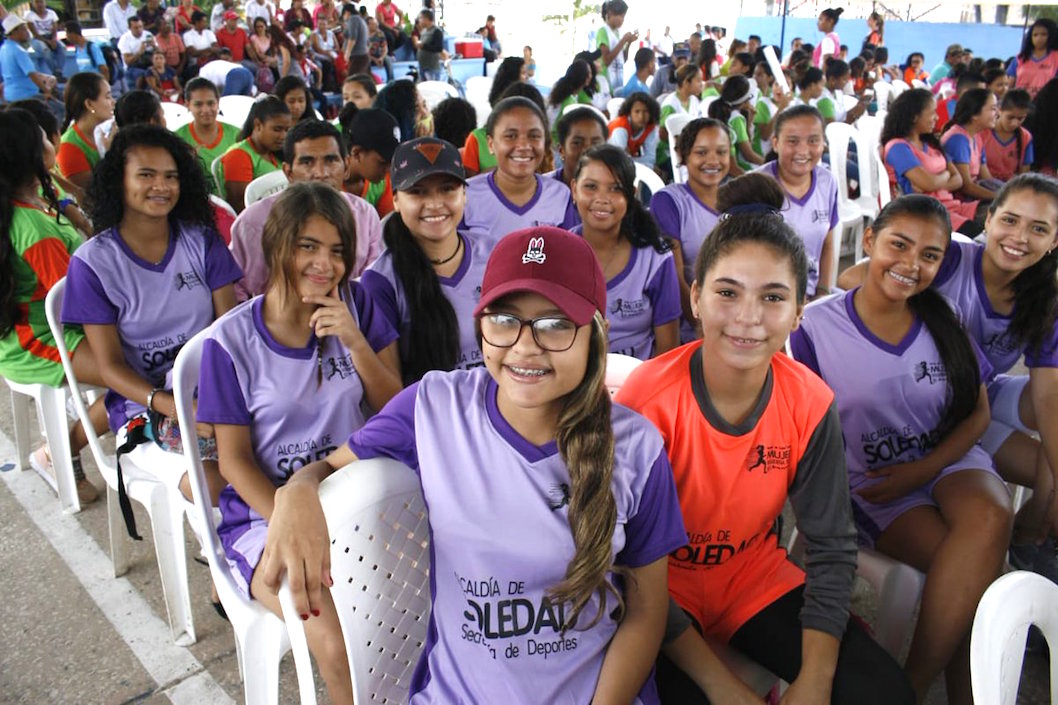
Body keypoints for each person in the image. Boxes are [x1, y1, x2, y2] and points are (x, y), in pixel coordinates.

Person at [257, 224, 686, 703]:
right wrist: (294, 495)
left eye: (555, 323)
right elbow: (329, 469)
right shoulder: (434, 407)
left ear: (594, 336)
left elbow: (647, 607)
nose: (525, 346)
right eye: (504, 319)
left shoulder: (636, 446)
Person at [617, 173, 914, 705]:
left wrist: (815, 681)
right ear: (696, 299)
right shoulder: (647, 400)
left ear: (800, 310)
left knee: (882, 692)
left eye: (773, 297)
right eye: (727, 292)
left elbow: (830, 544)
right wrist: (725, 688)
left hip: (750, 579)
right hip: (656, 592)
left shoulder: (809, 401)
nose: (749, 318)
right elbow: (626, 562)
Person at [793, 195, 1008, 705]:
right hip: (875, 486)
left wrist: (924, 469)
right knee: (974, 581)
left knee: (991, 515)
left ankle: (907, 687)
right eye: (899, 245)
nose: (911, 265)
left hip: (948, 460)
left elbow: (977, 414)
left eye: (930, 256)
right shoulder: (815, 329)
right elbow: (805, 435)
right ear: (869, 242)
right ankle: (969, 696)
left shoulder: (943, 315)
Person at [196, 182, 401, 704]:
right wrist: (291, 520)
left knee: (421, 609)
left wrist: (354, 340)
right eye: (308, 246)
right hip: (266, 514)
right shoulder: (229, 342)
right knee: (340, 649)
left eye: (337, 251)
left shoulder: (358, 304)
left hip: (359, 493)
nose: (324, 264)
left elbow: (394, 408)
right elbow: (235, 462)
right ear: (278, 247)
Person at [61, 125, 242, 508]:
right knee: (214, 484)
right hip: (142, 402)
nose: (161, 185)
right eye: (146, 174)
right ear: (119, 181)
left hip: (211, 385)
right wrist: (170, 405)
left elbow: (229, 331)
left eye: (171, 176)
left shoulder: (201, 241)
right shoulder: (93, 264)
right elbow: (109, 368)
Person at [0, 109, 103, 505]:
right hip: (37, 339)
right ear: (27, 152)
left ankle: (66, 442)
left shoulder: (36, 194)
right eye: (45, 138)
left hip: (57, 324)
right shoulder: (32, 228)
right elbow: (75, 305)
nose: (52, 143)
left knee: (140, 362)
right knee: (133, 376)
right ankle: (59, 451)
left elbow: (83, 224)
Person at [360, 136, 493, 381]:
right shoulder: (380, 282)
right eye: (418, 192)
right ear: (397, 200)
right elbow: (389, 389)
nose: (434, 204)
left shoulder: (495, 255)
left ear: (464, 194)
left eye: (447, 189)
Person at [231, 119, 382, 300]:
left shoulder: (365, 216)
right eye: (307, 162)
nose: (320, 173)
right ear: (289, 173)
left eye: (330, 160)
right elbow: (237, 291)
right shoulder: (254, 222)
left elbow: (372, 284)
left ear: (347, 166)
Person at [570, 144, 679, 359]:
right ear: (574, 189)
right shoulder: (559, 253)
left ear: (631, 195)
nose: (602, 198)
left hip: (638, 383)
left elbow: (668, 347)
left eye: (616, 188)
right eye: (591, 186)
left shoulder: (655, 258)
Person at [650, 118, 730, 342]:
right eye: (701, 153)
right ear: (683, 156)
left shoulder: (737, 201)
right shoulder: (668, 202)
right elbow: (675, 277)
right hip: (692, 326)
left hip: (731, 320)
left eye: (721, 152)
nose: (713, 161)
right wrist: (704, 326)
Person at [459, 97, 576, 242]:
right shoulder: (466, 195)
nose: (523, 145)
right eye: (510, 136)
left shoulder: (560, 195)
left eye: (534, 136)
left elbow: (569, 253)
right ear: (490, 144)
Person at [754, 105, 839, 299]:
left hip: (813, 293)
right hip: (768, 296)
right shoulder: (757, 185)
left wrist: (823, 292)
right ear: (775, 143)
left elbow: (827, 244)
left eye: (813, 141)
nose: (803, 150)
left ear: (823, 143)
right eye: (793, 141)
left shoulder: (827, 182)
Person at [882, 88, 981, 234]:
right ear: (915, 116)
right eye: (933, 112)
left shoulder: (932, 144)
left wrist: (935, 182)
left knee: (999, 214)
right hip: (929, 214)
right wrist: (946, 174)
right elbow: (928, 183)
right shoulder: (897, 147)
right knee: (982, 236)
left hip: (954, 206)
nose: (937, 118)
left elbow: (958, 179)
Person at [217, 96, 292, 212]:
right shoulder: (238, 155)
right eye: (277, 129)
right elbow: (241, 206)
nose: (283, 136)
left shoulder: (274, 153)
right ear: (258, 125)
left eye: (286, 130)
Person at [57, 72, 115, 198]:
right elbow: (95, 193)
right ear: (89, 104)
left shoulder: (105, 132)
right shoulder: (69, 146)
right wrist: (111, 154)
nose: (113, 102)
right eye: (107, 97)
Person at [175, 77, 240, 188]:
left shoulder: (236, 135)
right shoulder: (178, 139)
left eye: (211, 103)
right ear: (187, 105)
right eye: (198, 104)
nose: (205, 110)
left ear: (218, 103)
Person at [940, 88, 1002, 203]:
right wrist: (1001, 198)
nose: (998, 113)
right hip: (960, 202)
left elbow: (986, 178)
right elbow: (965, 186)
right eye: (993, 109)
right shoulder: (958, 139)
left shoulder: (976, 137)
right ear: (974, 114)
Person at [340, 107, 397, 218]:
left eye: (392, 162)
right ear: (357, 153)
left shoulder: (383, 183)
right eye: (383, 162)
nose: (389, 169)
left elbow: (386, 224)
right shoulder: (330, 182)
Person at [1, 16, 60, 110]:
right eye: (24, 29)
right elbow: (32, 74)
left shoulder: (3, 49)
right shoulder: (19, 51)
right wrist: (47, 92)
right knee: (60, 109)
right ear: (15, 32)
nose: (27, 32)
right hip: (26, 96)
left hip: (10, 97)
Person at [708, 75, 763, 174]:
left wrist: (750, 120)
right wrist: (771, 164)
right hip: (738, 171)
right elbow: (748, 155)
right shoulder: (736, 119)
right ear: (745, 99)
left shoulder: (721, 110)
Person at [981, 88, 1034, 182]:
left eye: (1020, 118)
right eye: (1010, 117)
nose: (1014, 123)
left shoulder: (1025, 137)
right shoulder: (982, 133)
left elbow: (1024, 173)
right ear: (999, 110)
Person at [553, 106, 608, 188]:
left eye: (596, 143)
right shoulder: (542, 190)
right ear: (561, 150)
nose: (587, 150)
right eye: (577, 143)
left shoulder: (615, 190)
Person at [608, 92, 660, 169]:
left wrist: (631, 159)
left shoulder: (650, 127)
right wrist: (643, 163)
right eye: (637, 111)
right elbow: (619, 160)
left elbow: (651, 158)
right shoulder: (620, 127)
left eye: (646, 112)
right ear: (629, 113)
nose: (641, 116)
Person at [1008, 18, 1058, 98]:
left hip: (1047, 105)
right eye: (1035, 35)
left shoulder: (1056, 58)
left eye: (1044, 34)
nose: (1039, 38)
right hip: (1020, 104)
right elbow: (1009, 86)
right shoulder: (1020, 58)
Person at [596, 0, 637, 93]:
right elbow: (606, 61)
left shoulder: (617, 33)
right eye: (621, 16)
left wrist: (629, 43)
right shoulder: (603, 32)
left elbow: (623, 59)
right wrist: (623, 41)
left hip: (618, 81)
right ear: (611, 14)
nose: (623, 20)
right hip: (606, 82)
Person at [25, 0, 64, 79]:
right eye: (37, 2)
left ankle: (59, 70)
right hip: (37, 39)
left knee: (62, 47)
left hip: (50, 37)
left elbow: (55, 29)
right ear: (33, 4)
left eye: (41, 2)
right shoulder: (29, 15)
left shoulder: (51, 13)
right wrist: (48, 42)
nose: (40, 4)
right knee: (45, 49)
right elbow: (35, 34)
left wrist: (53, 39)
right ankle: (55, 72)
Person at [415, 9, 445, 82]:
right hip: (422, 65)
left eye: (421, 18)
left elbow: (438, 48)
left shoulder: (437, 31)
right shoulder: (424, 31)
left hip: (432, 67)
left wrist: (423, 46)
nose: (419, 20)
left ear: (427, 19)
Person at [341, 2, 370, 77]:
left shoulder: (353, 19)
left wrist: (347, 52)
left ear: (347, 12)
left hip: (358, 56)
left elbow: (353, 37)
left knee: (353, 79)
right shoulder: (360, 19)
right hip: (362, 55)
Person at [366, 16, 392, 81]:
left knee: (388, 59)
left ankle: (391, 80)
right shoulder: (363, 35)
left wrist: (381, 58)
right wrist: (374, 59)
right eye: (374, 24)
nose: (376, 25)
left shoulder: (380, 33)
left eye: (376, 23)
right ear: (368, 25)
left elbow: (385, 48)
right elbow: (364, 52)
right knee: (364, 61)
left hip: (379, 55)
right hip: (368, 57)